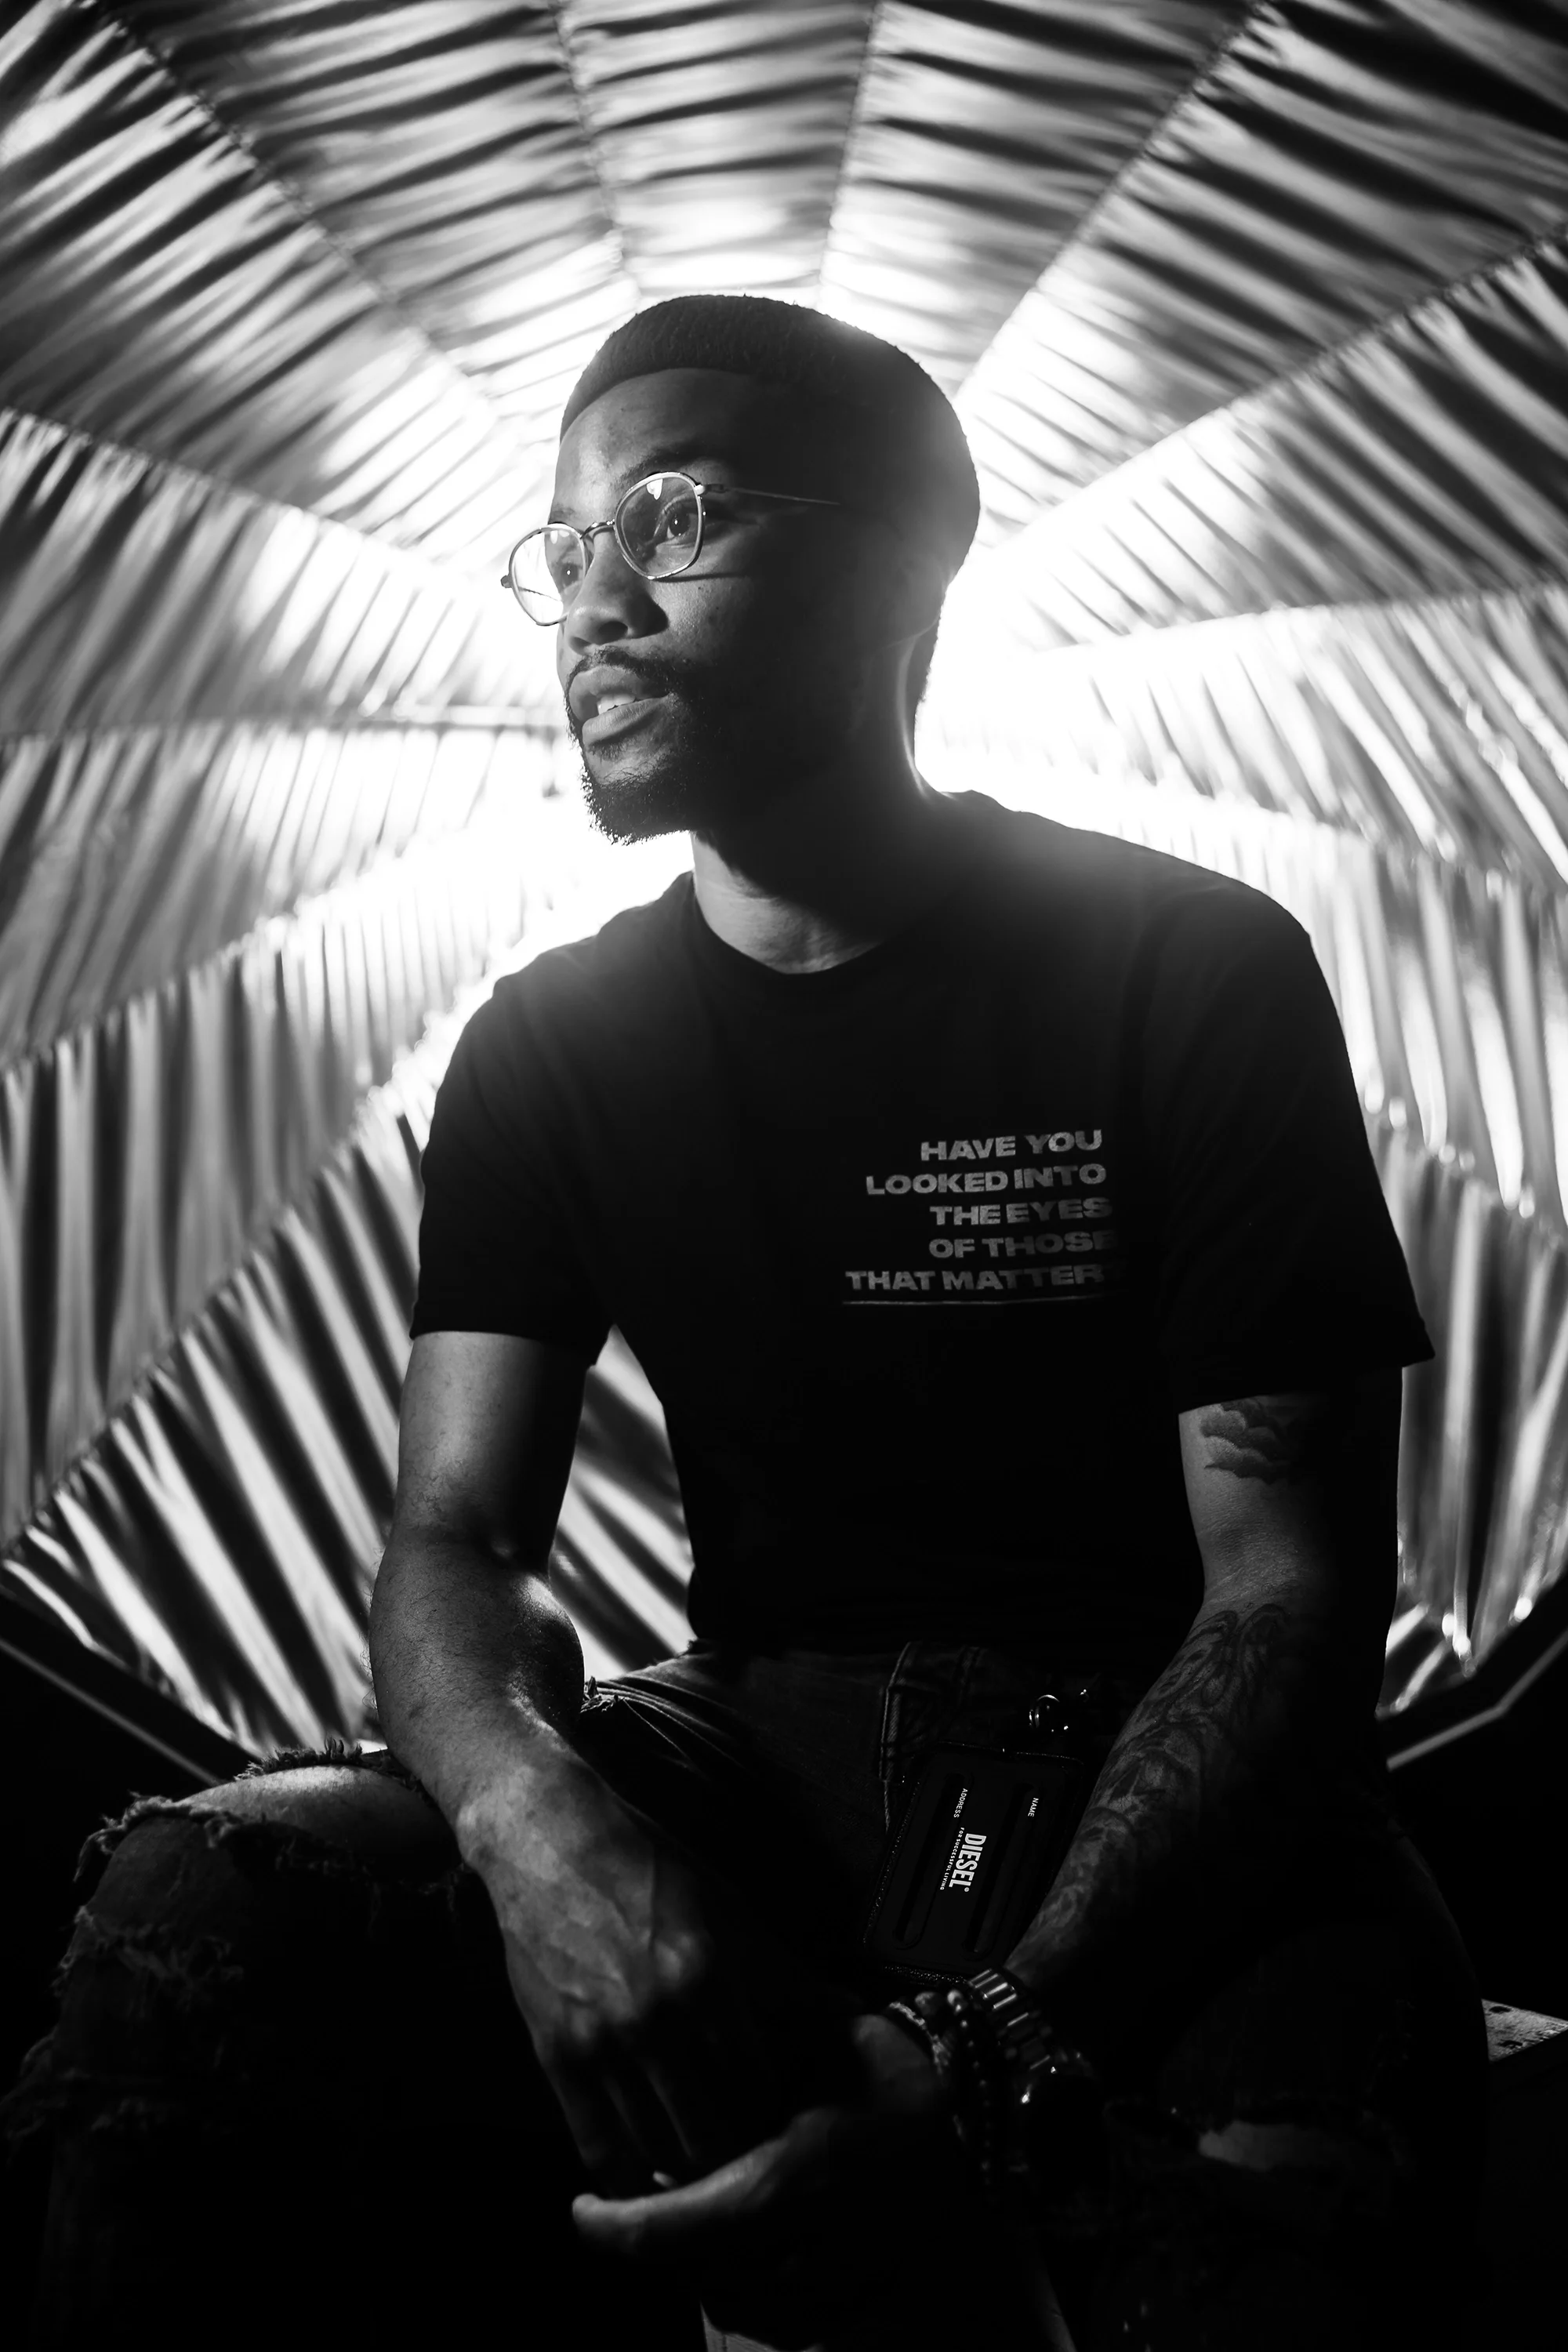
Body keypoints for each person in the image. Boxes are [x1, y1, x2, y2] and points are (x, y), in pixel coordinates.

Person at [8, 296, 1484, 2352]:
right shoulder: (548, 1047)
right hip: (756, 1733)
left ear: (908, 562)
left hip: (1151, 1749)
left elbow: (1288, 1599)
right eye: (566, 544)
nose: (595, 600)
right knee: (206, 1909)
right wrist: (536, 1828)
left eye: (676, 517)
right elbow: (458, 1546)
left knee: (1284, 2194)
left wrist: (989, 2042)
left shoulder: (1189, 969)